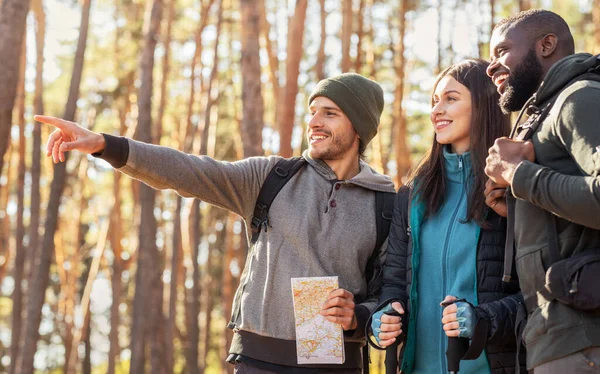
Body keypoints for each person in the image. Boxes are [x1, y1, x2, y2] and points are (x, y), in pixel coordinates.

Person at [37, 73, 397, 373]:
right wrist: (104, 144)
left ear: (359, 125)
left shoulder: (385, 202)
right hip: (258, 362)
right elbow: (189, 170)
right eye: (312, 111)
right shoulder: (271, 177)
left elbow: (391, 289)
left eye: (329, 113)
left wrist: (358, 316)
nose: (314, 122)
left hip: (338, 365)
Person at [368, 59, 526, 373]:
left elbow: (537, 293)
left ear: (484, 105)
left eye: (451, 99)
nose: (437, 109)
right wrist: (384, 315)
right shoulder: (413, 194)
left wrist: (484, 320)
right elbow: (395, 280)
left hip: (492, 366)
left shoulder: (513, 188)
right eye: (434, 101)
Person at [484, 9, 600, 373]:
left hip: (584, 343)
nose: (491, 67)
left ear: (546, 45)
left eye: (501, 51)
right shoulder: (547, 113)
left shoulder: (580, 97)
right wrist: (519, 205)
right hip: (556, 339)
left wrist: (519, 176)